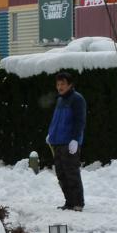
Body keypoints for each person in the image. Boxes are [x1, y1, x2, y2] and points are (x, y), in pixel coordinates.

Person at [46, 72, 86, 211]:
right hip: (57, 142)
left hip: (69, 143)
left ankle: (78, 203)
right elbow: (56, 121)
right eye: (58, 84)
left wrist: (75, 139)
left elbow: (79, 121)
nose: (60, 87)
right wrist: (50, 134)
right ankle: (69, 202)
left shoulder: (77, 99)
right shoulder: (60, 100)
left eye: (63, 84)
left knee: (71, 173)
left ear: (70, 84)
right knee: (61, 174)